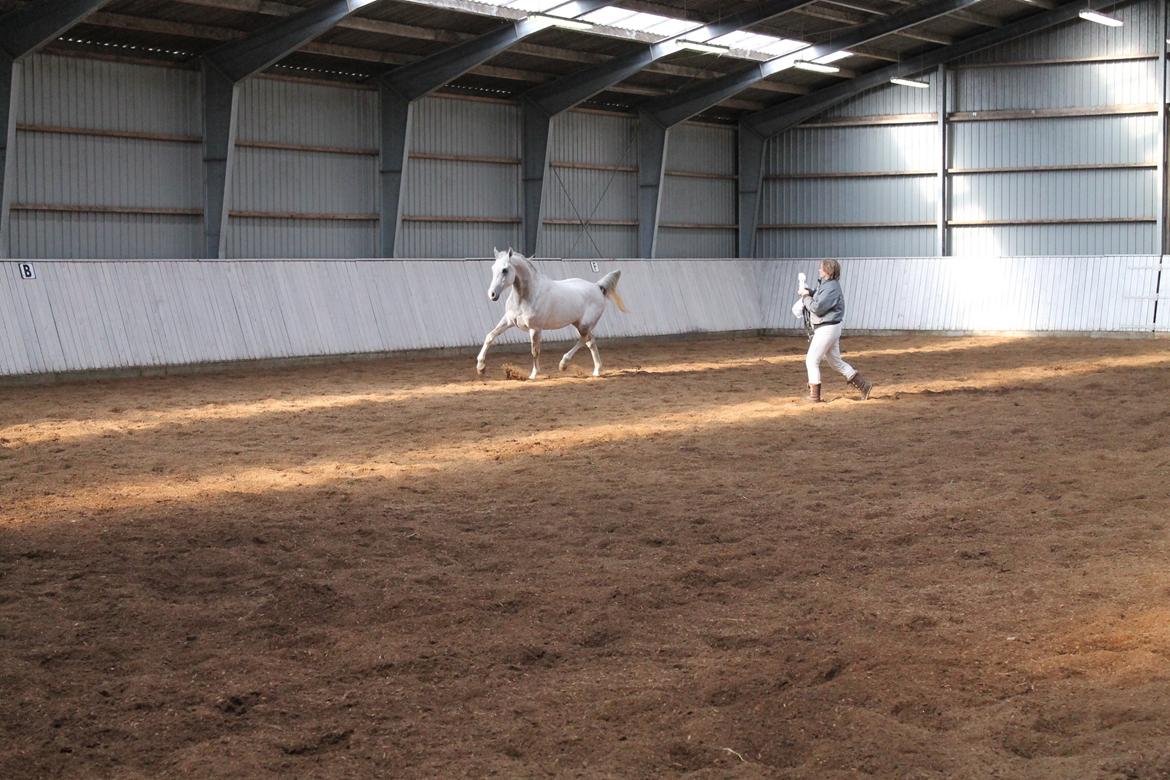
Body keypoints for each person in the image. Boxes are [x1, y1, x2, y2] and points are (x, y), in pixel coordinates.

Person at [798, 259, 872, 403]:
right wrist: (811, 292)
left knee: (811, 360)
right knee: (835, 362)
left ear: (827, 271)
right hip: (831, 328)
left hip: (826, 328)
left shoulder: (831, 287)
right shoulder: (828, 285)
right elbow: (821, 298)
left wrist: (805, 297)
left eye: (821, 268)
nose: (819, 270)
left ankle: (814, 396)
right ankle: (864, 385)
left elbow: (818, 308)